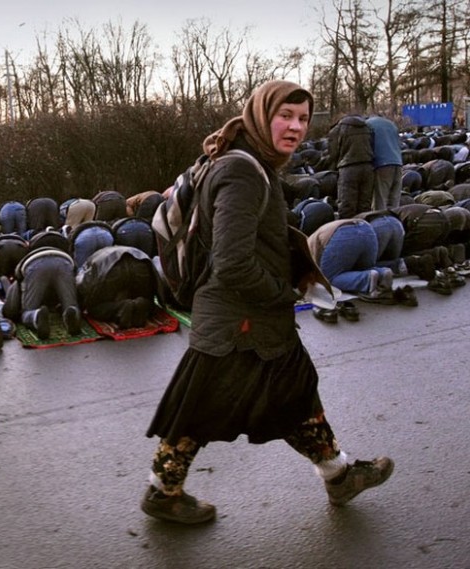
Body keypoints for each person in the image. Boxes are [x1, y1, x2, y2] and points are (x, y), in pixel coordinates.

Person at [141, 80, 394, 525]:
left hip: (240, 319)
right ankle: (163, 492)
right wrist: (282, 295)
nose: (296, 126)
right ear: (261, 115)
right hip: (240, 322)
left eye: (302, 118)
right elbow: (232, 262)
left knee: (294, 393)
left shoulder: (244, 160)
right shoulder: (241, 171)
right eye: (285, 116)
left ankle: (338, 475)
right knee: (198, 410)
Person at [2, 247, 81, 339]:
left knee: (27, 311)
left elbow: (19, 278)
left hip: (34, 265)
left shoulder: (25, 260)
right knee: (72, 305)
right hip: (64, 262)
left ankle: (36, 315)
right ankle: (71, 312)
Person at [75, 245, 159, 329]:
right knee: (148, 300)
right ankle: (143, 303)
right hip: (140, 264)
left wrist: (82, 304)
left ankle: (122, 307)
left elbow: (83, 285)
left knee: (95, 310)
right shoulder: (128, 249)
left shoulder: (92, 260)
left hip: (112, 270)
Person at [327, 113, 375, 219]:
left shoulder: (337, 130)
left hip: (348, 168)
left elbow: (333, 153)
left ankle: (348, 231)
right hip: (368, 166)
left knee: (347, 204)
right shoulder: (367, 127)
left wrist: (333, 167)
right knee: (365, 204)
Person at [367, 115, 404, 211]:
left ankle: (380, 224)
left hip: (381, 163)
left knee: (380, 201)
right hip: (398, 162)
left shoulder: (368, 125)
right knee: (394, 201)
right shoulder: (391, 124)